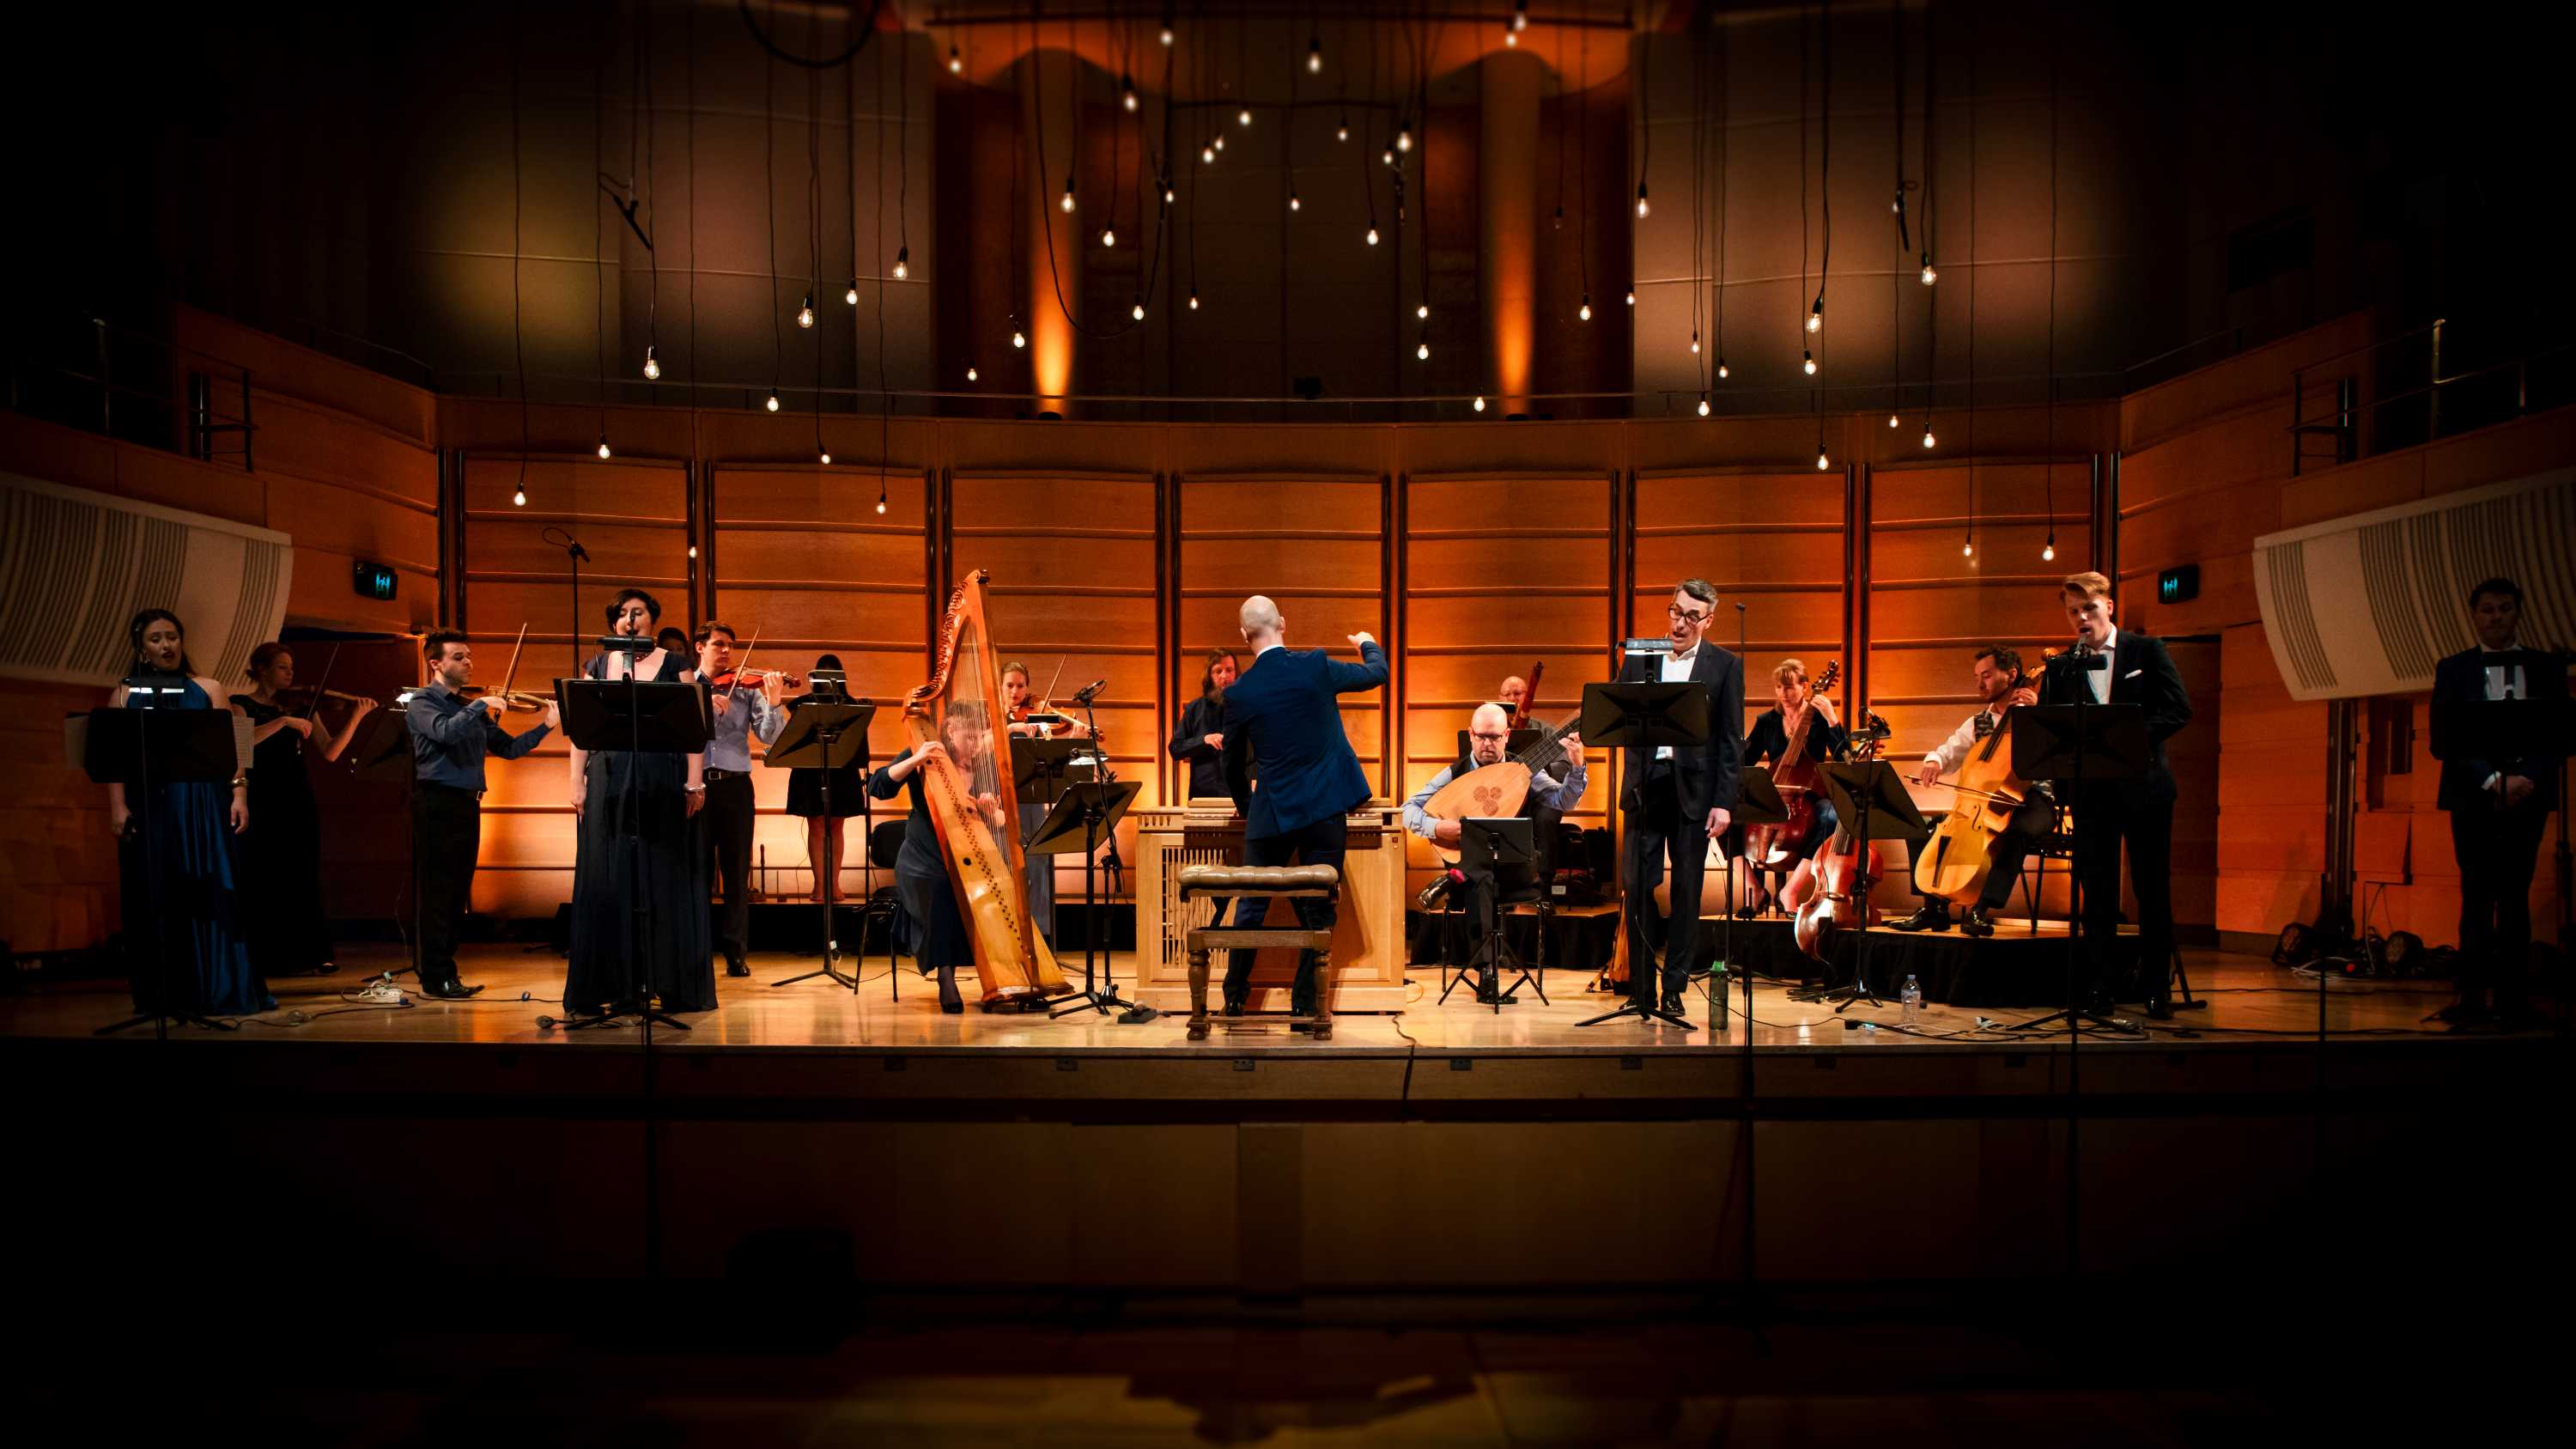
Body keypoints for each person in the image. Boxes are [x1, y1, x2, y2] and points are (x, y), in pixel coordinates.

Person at [1218, 595, 1389, 1018]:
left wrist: (1248, 806)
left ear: (1243, 636)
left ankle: (1234, 998)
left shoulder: (1240, 692)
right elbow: (1377, 673)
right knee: (1318, 910)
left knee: (1252, 906)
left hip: (1271, 812)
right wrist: (1367, 643)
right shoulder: (1314, 665)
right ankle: (1304, 1007)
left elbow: (1231, 764)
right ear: (1283, 623)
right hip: (1324, 807)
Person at [2038, 570, 2191, 1019]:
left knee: (2151, 888)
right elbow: (2049, 727)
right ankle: (2100, 987)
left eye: (2089, 608)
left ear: (2109, 606)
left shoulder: (2147, 651)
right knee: (2098, 893)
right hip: (2092, 795)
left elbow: (2178, 709)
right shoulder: (2061, 667)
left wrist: (2126, 737)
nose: (2082, 618)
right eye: (2073, 612)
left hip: (2146, 789)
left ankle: (2155, 988)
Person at [104, 609, 270, 1018]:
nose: (167, 645)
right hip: (152, 804)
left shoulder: (208, 688)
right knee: (160, 894)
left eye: (172, 636)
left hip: (202, 804)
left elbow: (234, 748)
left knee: (212, 889)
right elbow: (114, 758)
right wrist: (118, 806)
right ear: (141, 649)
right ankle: (167, 993)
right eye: (156, 639)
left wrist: (239, 795)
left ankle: (218, 987)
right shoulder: (125, 694)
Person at [563, 588, 714, 1018]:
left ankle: (666, 981)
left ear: (651, 619)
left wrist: (694, 782)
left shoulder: (676, 664)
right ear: (614, 623)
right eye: (624, 613)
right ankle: (616, 985)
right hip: (609, 776)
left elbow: (695, 729)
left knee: (662, 872)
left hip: (660, 774)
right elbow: (581, 731)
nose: (632, 619)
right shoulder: (597, 665)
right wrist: (576, 782)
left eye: (640, 612)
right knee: (611, 876)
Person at [2429, 576, 2562, 1032]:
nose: (2496, 617)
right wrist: (2492, 780)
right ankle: (2470, 999)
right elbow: (2444, 739)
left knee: (2515, 897)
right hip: (2473, 799)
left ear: (2517, 613)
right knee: (2476, 896)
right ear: (2474, 615)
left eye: (2505, 608)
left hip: (2527, 797)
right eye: (2487, 609)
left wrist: (2527, 780)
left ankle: (2514, 1001)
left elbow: (2558, 734)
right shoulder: (2453, 669)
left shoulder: (2546, 667)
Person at [1614, 579, 1746, 1022]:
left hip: (1695, 792)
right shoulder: (1640, 655)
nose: (1680, 623)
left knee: (1687, 893)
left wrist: (1724, 802)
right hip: (1645, 786)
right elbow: (1618, 715)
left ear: (1709, 620)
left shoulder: (1725, 665)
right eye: (1676, 611)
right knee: (1637, 887)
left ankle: (1673, 988)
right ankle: (1641, 991)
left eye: (1692, 616)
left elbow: (1730, 741)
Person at [406, 630, 557, 998]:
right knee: (438, 893)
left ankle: (447, 973)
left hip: (467, 804)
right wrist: (479, 706)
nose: (468, 662)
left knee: (457, 892)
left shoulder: (467, 707)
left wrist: (546, 727)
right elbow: (444, 733)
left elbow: (508, 748)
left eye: (469, 655)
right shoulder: (423, 701)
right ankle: (435, 976)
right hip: (437, 802)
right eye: (459, 657)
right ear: (436, 663)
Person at [1404, 702, 1587, 1000]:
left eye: (1494, 737)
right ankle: (1487, 969)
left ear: (1507, 736)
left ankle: (1454, 876)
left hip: (1515, 869)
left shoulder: (1524, 771)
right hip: (1481, 878)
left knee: (1478, 874)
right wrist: (1437, 828)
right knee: (1483, 877)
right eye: (1481, 736)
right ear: (1471, 735)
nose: (1487, 744)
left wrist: (1577, 767)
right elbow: (1408, 810)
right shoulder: (1456, 772)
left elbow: (1563, 801)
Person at [232, 642, 376, 976]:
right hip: (260, 797)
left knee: (301, 875)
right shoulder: (240, 705)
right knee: (261, 876)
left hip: (295, 797)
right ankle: (264, 957)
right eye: (282, 667)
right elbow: (241, 745)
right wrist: (282, 722)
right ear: (262, 670)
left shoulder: (301, 708)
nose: (290, 674)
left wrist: (356, 717)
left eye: (292, 668)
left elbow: (331, 751)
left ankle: (311, 954)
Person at [1890, 645, 2052, 938]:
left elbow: (2057, 750)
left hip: (2033, 799)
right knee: (1920, 828)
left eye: (1987, 676)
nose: (1980, 684)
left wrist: (2037, 713)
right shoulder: (1978, 722)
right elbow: (1950, 749)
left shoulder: (2038, 715)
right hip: (1981, 804)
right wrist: (1934, 762)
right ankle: (1933, 908)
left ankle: (1982, 909)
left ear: (2012, 675)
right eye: (1977, 677)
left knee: (2018, 832)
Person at [869, 701, 1006, 1013]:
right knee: (944, 885)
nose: (976, 745)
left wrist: (990, 812)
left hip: (967, 855)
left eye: (979, 737)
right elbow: (878, 786)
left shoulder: (985, 768)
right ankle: (946, 975)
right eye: (969, 737)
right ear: (951, 730)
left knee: (993, 887)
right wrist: (915, 759)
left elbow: (1002, 821)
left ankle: (1001, 975)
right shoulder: (927, 754)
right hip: (922, 858)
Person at [695, 623, 787, 977]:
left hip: (735, 787)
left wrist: (774, 702)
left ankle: (736, 953)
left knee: (736, 875)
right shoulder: (687, 686)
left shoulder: (746, 689)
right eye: (718, 644)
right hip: (696, 786)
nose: (726, 651)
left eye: (730, 646)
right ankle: (697, 951)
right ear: (700, 647)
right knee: (697, 872)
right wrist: (705, 710)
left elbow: (770, 738)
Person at [1735, 657, 1848, 915]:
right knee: (1726, 816)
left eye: (1789, 687)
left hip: (1810, 794)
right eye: (1779, 687)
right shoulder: (1768, 721)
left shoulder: (1819, 719)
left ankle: (1791, 890)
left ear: (1805, 686)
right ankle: (1754, 890)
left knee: (1831, 817)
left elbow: (1844, 758)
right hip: (1773, 793)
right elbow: (1745, 761)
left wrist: (1832, 720)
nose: (1783, 693)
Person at [784, 654, 868, 902]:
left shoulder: (852, 706)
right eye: (824, 675)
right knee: (817, 825)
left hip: (842, 770)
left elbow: (859, 749)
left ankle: (834, 884)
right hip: (810, 771)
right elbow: (793, 741)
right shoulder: (803, 705)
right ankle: (820, 885)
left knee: (837, 826)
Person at [1168, 648, 1241, 800]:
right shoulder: (1195, 708)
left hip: (1240, 795)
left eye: (1229, 670)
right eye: (1218, 671)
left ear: (1236, 673)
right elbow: (1175, 749)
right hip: (1203, 795)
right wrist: (1204, 740)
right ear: (1209, 675)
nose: (1224, 676)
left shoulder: (1248, 707)